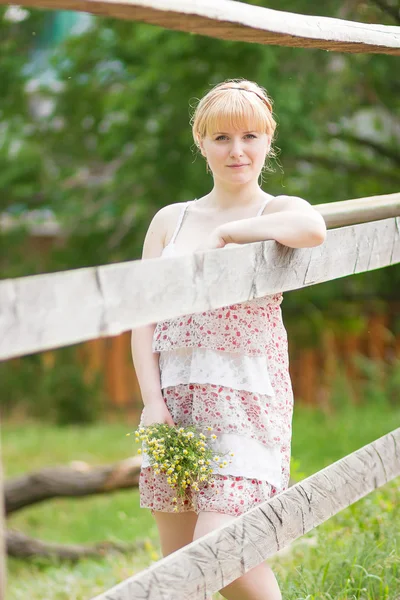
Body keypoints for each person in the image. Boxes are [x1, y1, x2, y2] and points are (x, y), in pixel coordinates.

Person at [130, 79, 326, 600]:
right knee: (181, 570)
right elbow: (142, 317)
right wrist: (152, 403)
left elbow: (313, 227)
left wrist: (237, 234)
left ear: (267, 140)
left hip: (245, 404)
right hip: (174, 402)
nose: (236, 150)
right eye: (221, 138)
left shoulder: (275, 209)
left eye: (249, 136)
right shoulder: (172, 220)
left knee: (219, 552)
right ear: (201, 142)